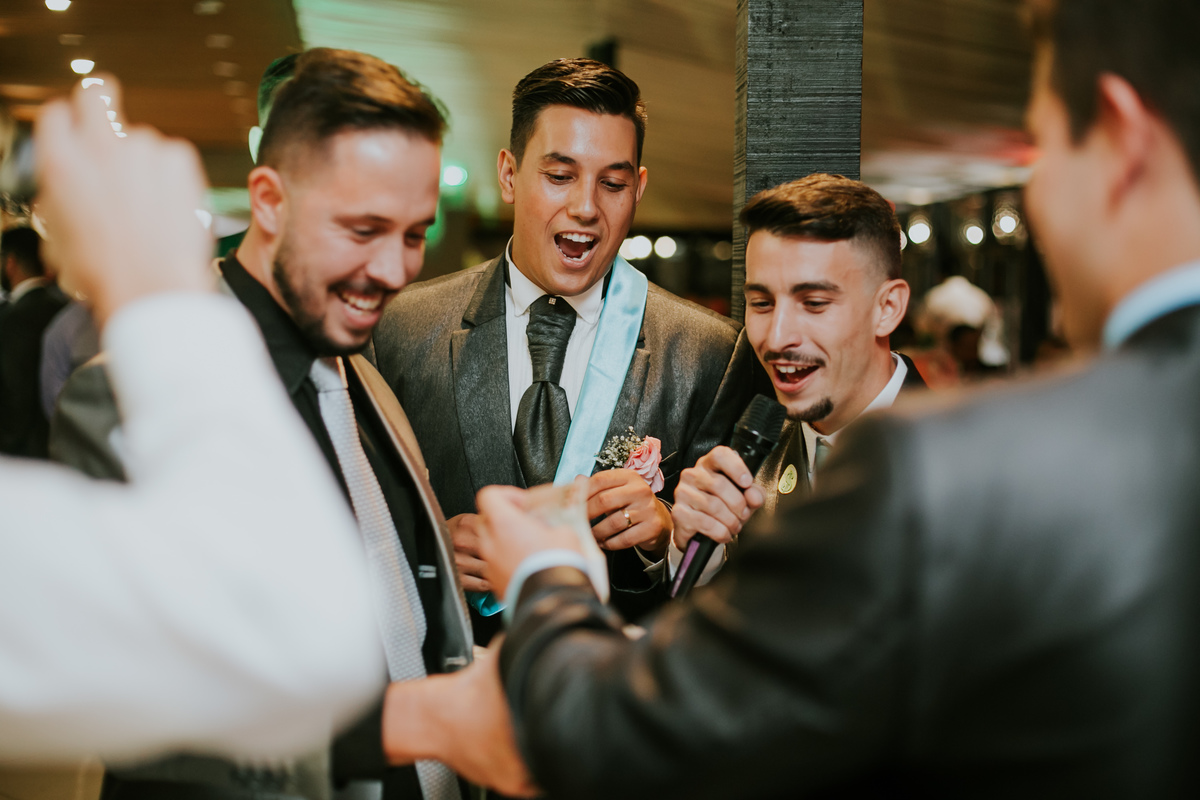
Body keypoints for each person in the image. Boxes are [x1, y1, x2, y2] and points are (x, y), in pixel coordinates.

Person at [378, 0, 1200, 795]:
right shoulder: (781, 446)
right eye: (762, 302)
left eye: (1045, 150)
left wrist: (547, 570)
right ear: (511, 173)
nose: (777, 337)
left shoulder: (930, 466)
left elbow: (671, 718)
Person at [50, 50, 473, 800]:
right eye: (363, 229)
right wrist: (421, 722)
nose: (395, 270)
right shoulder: (133, 391)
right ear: (270, 201)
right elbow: (158, 707)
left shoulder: (364, 376)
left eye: (414, 234)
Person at [0, 77, 382, 762]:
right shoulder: (107, 366)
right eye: (360, 227)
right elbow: (299, 633)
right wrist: (157, 289)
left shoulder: (364, 366)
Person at [372, 58, 753, 643]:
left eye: (612, 184)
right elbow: (347, 521)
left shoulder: (707, 352)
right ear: (509, 174)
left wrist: (668, 538)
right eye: (559, 176)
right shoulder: (399, 330)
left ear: (638, 188)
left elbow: (738, 584)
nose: (586, 208)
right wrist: (424, 551)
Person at [669, 175, 927, 586]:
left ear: (888, 308)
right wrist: (697, 557)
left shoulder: (964, 467)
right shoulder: (750, 462)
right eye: (762, 303)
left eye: (814, 303)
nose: (777, 337)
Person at [0, 225, 68, 457]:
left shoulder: (13, 318)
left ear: (10, 262)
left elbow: (15, 390)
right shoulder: (64, 308)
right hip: (57, 441)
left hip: (22, 449)